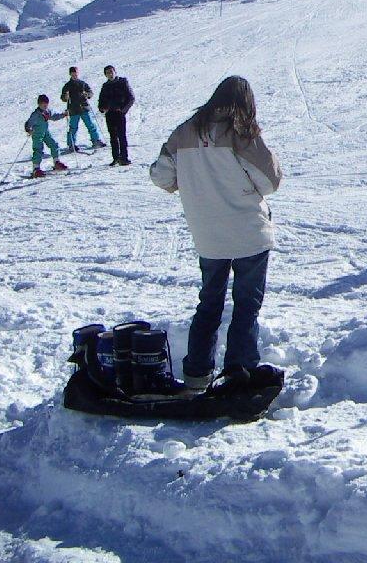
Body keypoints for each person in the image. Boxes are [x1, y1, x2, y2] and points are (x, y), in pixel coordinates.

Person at [150, 76, 282, 390]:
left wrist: (189, 181)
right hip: (248, 232)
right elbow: (271, 180)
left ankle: (197, 373)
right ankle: (240, 370)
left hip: (207, 234)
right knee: (246, 305)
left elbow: (161, 176)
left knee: (209, 304)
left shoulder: (184, 132)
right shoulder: (241, 133)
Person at [61, 66, 106, 152]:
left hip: (84, 107)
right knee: (73, 127)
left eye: (76, 73)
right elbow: (63, 98)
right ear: (70, 74)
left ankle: (96, 140)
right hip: (74, 109)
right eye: (73, 74)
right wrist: (65, 97)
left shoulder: (82, 83)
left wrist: (88, 94)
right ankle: (71, 144)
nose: (75, 75)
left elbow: (90, 92)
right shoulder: (67, 86)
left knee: (91, 125)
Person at [97, 65, 135, 166]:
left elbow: (131, 98)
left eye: (111, 72)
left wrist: (123, 109)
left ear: (115, 72)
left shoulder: (122, 82)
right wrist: (102, 108)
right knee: (113, 137)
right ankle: (115, 158)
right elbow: (101, 101)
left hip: (120, 113)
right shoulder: (105, 86)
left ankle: (124, 158)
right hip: (110, 114)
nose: (110, 74)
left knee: (121, 136)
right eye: (107, 73)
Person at [24, 94, 68, 178]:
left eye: (46, 104)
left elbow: (54, 117)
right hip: (37, 134)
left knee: (54, 145)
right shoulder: (36, 114)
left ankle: (56, 162)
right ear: (39, 104)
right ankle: (36, 169)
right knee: (38, 149)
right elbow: (29, 123)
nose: (45, 105)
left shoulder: (47, 111)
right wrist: (28, 129)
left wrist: (63, 114)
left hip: (45, 133)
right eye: (43, 104)